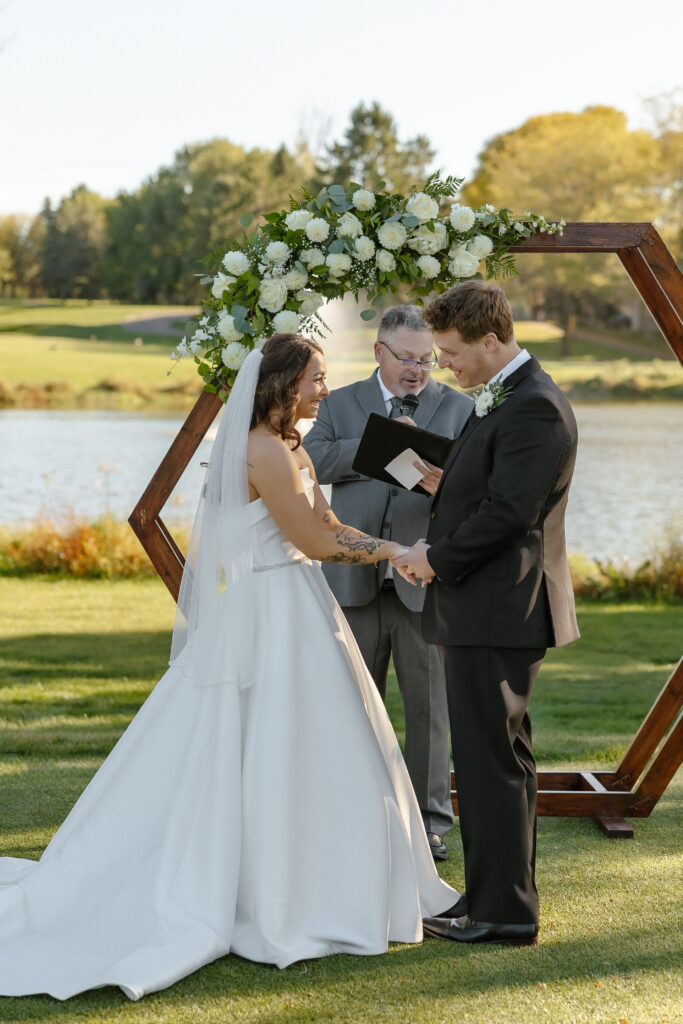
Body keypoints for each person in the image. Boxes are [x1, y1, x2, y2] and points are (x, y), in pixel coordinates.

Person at [0, 334, 456, 1002]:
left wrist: (388, 547)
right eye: (315, 379)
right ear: (280, 385)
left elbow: (326, 521)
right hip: (269, 609)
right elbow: (311, 541)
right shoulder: (260, 449)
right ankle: (264, 896)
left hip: (303, 606)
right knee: (264, 740)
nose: (324, 390)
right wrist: (395, 550)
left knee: (330, 742)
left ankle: (323, 880)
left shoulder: (293, 445)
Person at [393, 281, 579, 946]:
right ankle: (491, 898)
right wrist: (450, 479)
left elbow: (510, 513)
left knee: (489, 762)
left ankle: (502, 916)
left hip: (498, 607)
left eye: (449, 352)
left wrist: (434, 558)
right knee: (496, 760)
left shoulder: (533, 408)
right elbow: (494, 487)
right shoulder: (503, 398)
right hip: (488, 606)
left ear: (490, 341)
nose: (442, 363)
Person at [304, 306, 471, 861]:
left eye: (426, 360)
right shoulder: (341, 402)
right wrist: (381, 448)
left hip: (423, 584)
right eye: (407, 358)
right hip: (352, 582)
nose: (418, 370)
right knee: (352, 705)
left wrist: (439, 477)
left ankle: (429, 826)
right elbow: (313, 461)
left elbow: (471, 492)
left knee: (429, 710)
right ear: (380, 352)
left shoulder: (459, 407)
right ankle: (352, 810)